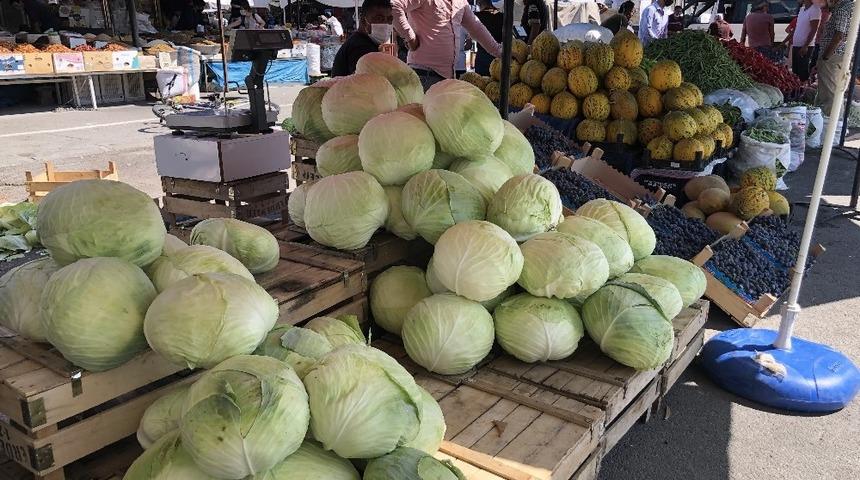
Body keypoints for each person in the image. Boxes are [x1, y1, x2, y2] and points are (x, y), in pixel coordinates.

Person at [392, 0, 501, 90]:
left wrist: (499, 52)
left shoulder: (461, 2)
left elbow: (476, 28)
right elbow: (394, 5)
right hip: (424, 74)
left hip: (446, 78)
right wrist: (410, 38)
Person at [331, 0, 394, 76]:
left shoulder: (363, 41)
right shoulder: (361, 47)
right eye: (379, 19)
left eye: (390, 19)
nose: (386, 24)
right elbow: (368, 82)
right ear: (363, 21)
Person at [816, 0, 854, 109]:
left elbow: (839, 36)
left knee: (830, 95)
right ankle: (834, 118)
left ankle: (830, 120)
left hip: (832, 57)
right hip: (841, 55)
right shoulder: (850, 7)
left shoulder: (841, 9)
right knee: (835, 91)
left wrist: (825, 57)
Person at [788, 0, 821, 81]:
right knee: (795, 72)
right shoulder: (802, 9)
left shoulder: (815, 9)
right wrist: (784, 43)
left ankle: (803, 91)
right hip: (796, 44)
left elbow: (814, 29)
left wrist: (805, 45)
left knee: (802, 72)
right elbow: (796, 27)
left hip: (805, 46)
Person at [474, 0, 503, 75]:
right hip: (498, 55)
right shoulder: (502, 16)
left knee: (481, 82)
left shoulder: (477, 16)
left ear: (479, 3)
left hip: (482, 54)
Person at [811, 3, 832, 71]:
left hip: (818, 42)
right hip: (816, 41)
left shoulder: (825, 14)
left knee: (813, 62)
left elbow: (822, 28)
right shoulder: (824, 13)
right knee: (813, 62)